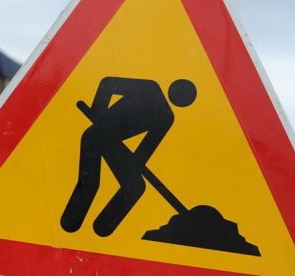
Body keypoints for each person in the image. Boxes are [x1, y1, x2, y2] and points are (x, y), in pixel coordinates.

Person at [60, 77, 196, 237]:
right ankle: (70, 223)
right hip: (95, 136)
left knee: (135, 186)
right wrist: (99, 112)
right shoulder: (150, 89)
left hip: (110, 143)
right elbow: (107, 84)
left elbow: (145, 150)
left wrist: (134, 163)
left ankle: (102, 228)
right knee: (90, 182)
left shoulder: (166, 117)